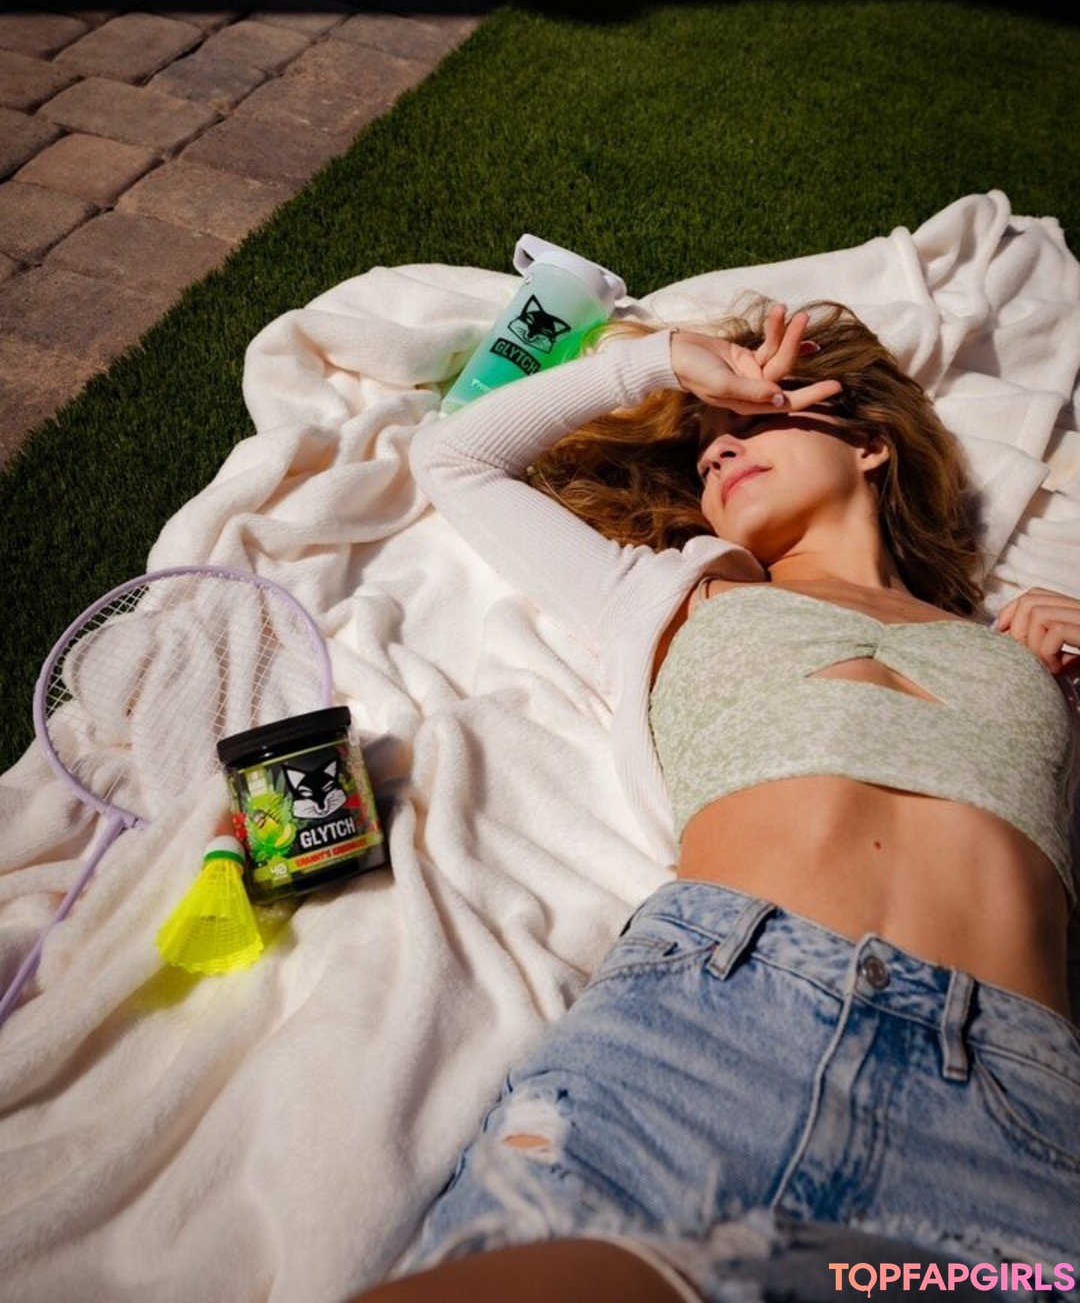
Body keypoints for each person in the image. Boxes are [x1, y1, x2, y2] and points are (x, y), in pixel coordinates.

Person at [357, 298, 1080, 1303]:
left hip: (1003, 1098)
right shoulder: (668, 593)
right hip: (707, 1030)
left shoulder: (1019, 650)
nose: (717, 451)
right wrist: (665, 362)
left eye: (755, 422)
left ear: (869, 444)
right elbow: (456, 457)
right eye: (707, 447)